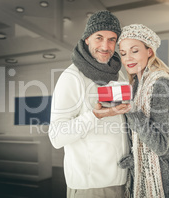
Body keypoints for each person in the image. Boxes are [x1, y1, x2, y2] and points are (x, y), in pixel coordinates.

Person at [48, 10, 131, 198]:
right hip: (92, 186)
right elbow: (56, 136)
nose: (105, 46)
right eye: (99, 37)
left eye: (112, 39)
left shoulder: (118, 74)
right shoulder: (72, 77)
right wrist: (95, 116)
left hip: (121, 180)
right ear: (87, 38)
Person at [117, 24, 169, 198]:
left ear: (150, 52)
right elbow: (142, 138)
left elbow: (161, 146)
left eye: (134, 51)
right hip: (141, 174)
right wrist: (135, 160)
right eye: (123, 53)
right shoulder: (136, 86)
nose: (127, 58)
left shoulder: (161, 84)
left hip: (162, 178)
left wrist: (131, 111)